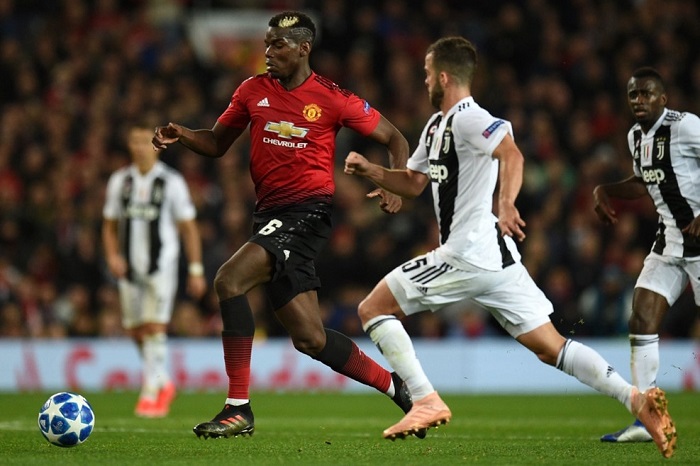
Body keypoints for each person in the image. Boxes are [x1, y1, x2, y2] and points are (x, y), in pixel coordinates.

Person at [344, 37, 676, 458]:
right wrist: (372, 170)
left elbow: (511, 155)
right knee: (550, 347)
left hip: (467, 251)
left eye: (428, 73)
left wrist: (505, 203)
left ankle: (425, 399)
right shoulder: (434, 126)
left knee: (372, 309)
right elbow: (412, 183)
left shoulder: (469, 118)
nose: (424, 79)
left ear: (443, 76)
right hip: (496, 260)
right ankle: (636, 400)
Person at [151, 11, 413, 439]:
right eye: (267, 44)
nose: (267, 53)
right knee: (310, 338)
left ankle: (238, 408)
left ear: (303, 48)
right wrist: (183, 134)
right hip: (269, 214)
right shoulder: (252, 90)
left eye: (278, 45)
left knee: (229, 280)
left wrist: (395, 182)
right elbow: (218, 142)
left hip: (306, 213)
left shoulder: (332, 97)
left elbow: (395, 138)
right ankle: (398, 387)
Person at [593, 66, 700, 444]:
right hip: (668, 244)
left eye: (646, 94)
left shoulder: (687, 126)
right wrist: (604, 189)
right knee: (641, 316)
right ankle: (645, 418)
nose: (639, 101)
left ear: (663, 98)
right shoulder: (635, 136)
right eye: (633, 95)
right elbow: (644, 182)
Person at [102, 122, 208, 417]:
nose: (138, 147)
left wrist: (196, 269)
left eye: (143, 141)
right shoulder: (120, 181)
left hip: (162, 266)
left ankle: (151, 392)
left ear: (156, 145)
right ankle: (163, 380)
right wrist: (112, 256)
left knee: (154, 327)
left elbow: (188, 228)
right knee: (136, 331)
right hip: (128, 269)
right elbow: (109, 226)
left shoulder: (171, 182)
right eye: (133, 142)